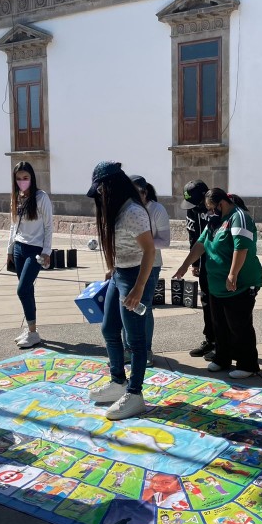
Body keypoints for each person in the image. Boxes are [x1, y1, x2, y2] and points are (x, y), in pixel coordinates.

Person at [86, 161, 156, 420]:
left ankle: (135, 394)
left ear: (112, 186)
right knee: (108, 328)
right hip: (120, 273)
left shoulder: (133, 212)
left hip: (136, 275)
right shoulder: (116, 210)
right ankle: (118, 382)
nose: (100, 197)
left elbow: (150, 250)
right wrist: (111, 267)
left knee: (135, 340)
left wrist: (138, 288)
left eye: (101, 190)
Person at [173, 188, 262, 379]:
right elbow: (200, 244)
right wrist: (184, 266)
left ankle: (247, 364)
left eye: (211, 208)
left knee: (239, 325)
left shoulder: (239, 217)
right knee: (219, 325)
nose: (209, 212)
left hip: (240, 284)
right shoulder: (214, 221)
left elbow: (241, 247)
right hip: (216, 286)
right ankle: (222, 358)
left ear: (221, 204)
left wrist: (232, 274)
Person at [8, 161, 53, 349]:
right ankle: (31, 329)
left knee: (22, 289)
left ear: (32, 178)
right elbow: (13, 224)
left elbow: (49, 226)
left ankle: (33, 333)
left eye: (25, 178)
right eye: (18, 179)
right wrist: (10, 249)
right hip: (19, 247)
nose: (22, 182)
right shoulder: (16, 197)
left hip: (35, 250)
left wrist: (47, 251)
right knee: (27, 290)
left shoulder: (41, 198)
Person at [127, 175, 171, 368]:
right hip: (127, 264)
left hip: (151, 264)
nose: (136, 198)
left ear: (146, 192)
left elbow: (165, 241)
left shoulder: (157, 209)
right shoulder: (126, 209)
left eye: (140, 194)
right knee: (126, 306)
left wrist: (144, 245)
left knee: (143, 306)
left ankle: (146, 349)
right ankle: (128, 348)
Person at [180, 180, 218, 360]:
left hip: (219, 265)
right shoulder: (192, 209)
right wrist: (194, 263)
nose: (194, 207)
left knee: (219, 303)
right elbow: (193, 235)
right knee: (206, 302)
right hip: (203, 264)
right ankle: (210, 340)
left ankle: (223, 343)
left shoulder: (217, 206)